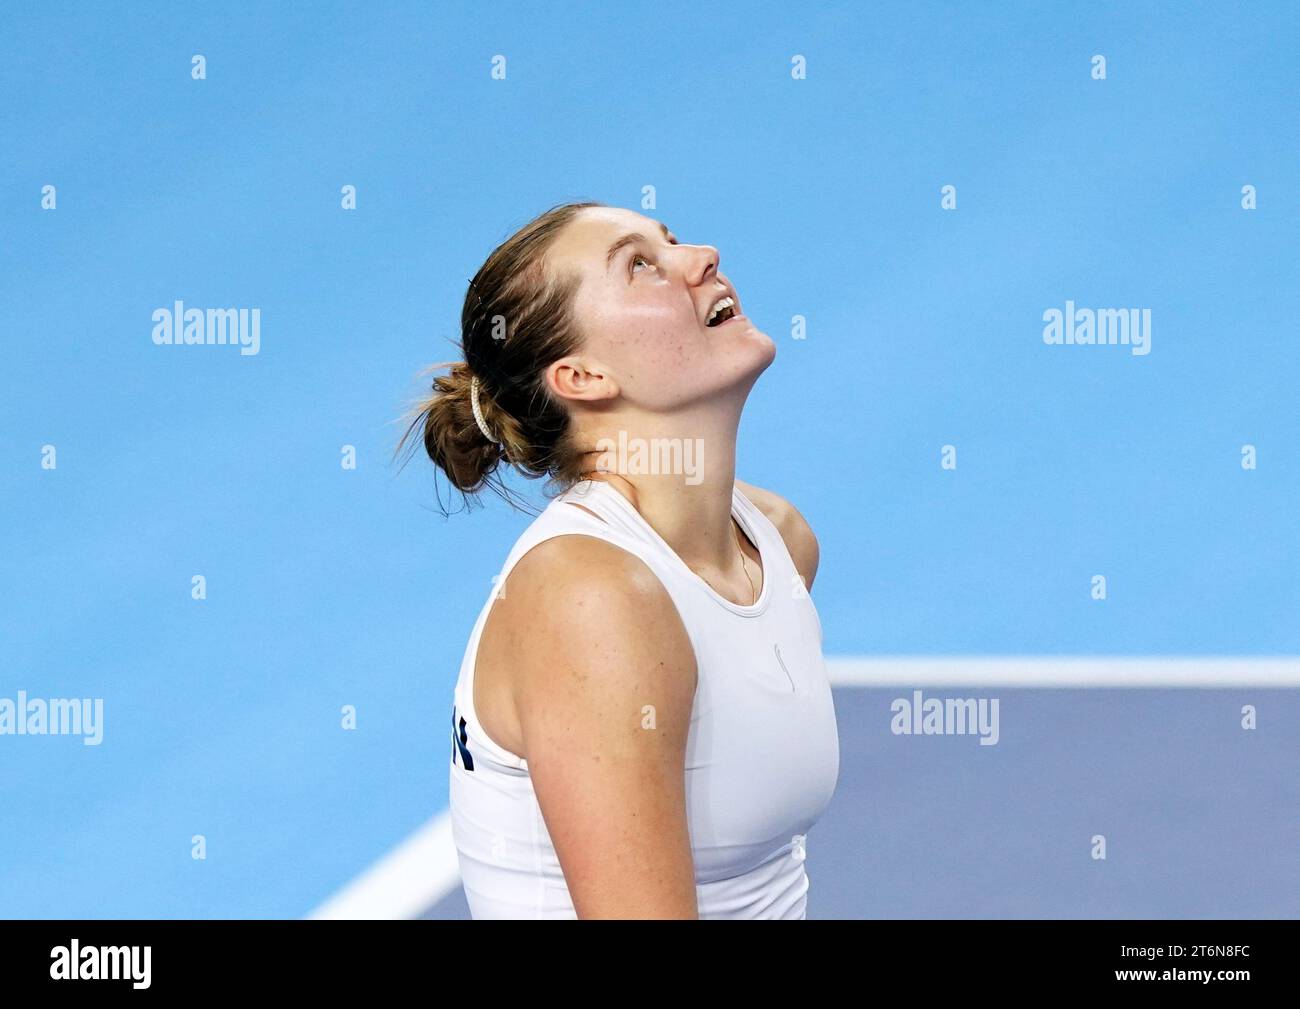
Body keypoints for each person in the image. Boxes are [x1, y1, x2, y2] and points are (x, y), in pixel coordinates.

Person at [398, 201, 840, 918]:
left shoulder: (779, 542)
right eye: (641, 266)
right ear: (582, 377)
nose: (702, 256)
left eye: (670, 241)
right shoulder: (593, 595)